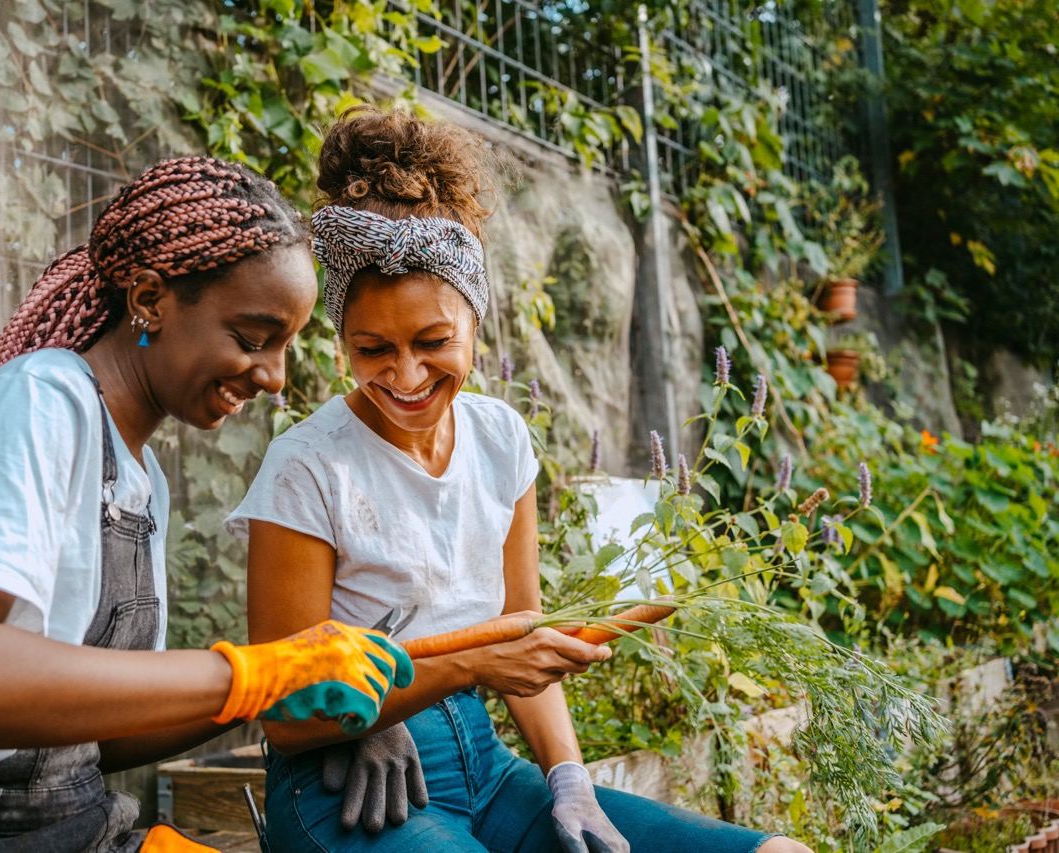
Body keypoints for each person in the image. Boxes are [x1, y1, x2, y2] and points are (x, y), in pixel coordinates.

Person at [226, 107, 813, 852]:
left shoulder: (501, 438)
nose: (405, 375)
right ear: (341, 337)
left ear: (477, 321)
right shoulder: (308, 465)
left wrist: (569, 776)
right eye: (372, 347)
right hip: (346, 785)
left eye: (434, 341)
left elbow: (521, 634)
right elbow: (285, 709)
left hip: (489, 769)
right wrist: (393, 696)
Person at [0, 156, 413, 852]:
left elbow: (100, 734)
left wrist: (273, 680)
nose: (273, 376)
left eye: (283, 347)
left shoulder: (139, 475)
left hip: (73, 826)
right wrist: (247, 673)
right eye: (253, 339)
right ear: (152, 299)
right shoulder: (44, 400)